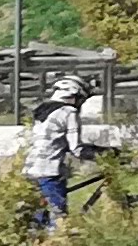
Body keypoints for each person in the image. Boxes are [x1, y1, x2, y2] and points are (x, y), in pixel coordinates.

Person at [25, 80, 92, 231]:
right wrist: (106, 152)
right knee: (58, 219)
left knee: (37, 219)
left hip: (30, 168)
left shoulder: (43, 111)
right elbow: (77, 149)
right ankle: (57, 241)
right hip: (50, 170)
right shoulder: (69, 112)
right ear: (73, 96)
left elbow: (50, 140)